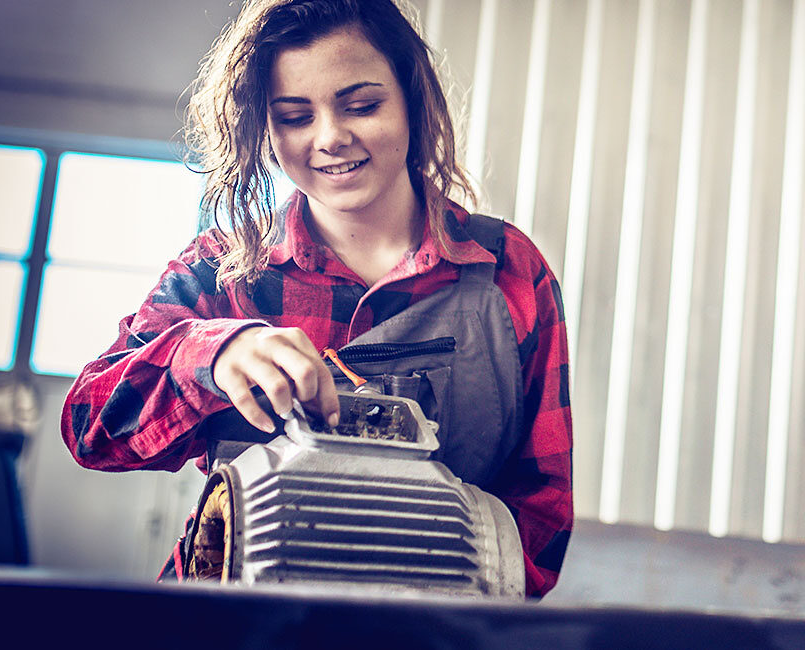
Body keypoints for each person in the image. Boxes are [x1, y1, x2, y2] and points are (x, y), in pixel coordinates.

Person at [60, 0, 571, 597]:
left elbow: (541, 517)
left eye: (362, 105)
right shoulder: (224, 273)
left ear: (411, 98)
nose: (330, 138)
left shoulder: (509, 269)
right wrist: (212, 354)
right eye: (295, 117)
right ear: (265, 127)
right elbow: (88, 427)